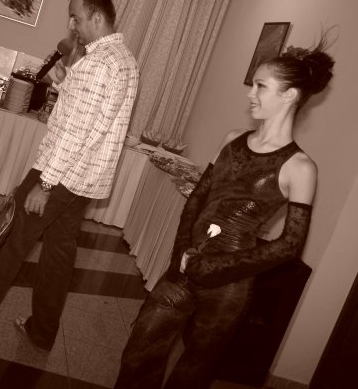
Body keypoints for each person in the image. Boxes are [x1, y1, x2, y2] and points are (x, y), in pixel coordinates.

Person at [114, 35, 335, 389]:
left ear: (289, 95)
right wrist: (181, 255)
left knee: (193, 371)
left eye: (261, 86)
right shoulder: (233, 139)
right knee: (139, 351)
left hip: (229, 286)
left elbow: (290, 245)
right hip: (186, 267)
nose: (251, 94)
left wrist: (213, 266)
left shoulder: (301, 167)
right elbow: (197, 199)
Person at [0, 0, 139, 351]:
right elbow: (94, 119)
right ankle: (42, 331)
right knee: (59, 253)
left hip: (60, 175)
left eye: (76, 17)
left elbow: (77, 132)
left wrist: (46, 184)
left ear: (96, 16)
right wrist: (65, 82)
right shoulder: (124, 59)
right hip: (85, 179)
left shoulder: (98, 63)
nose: (72, 25)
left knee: (11, 240)